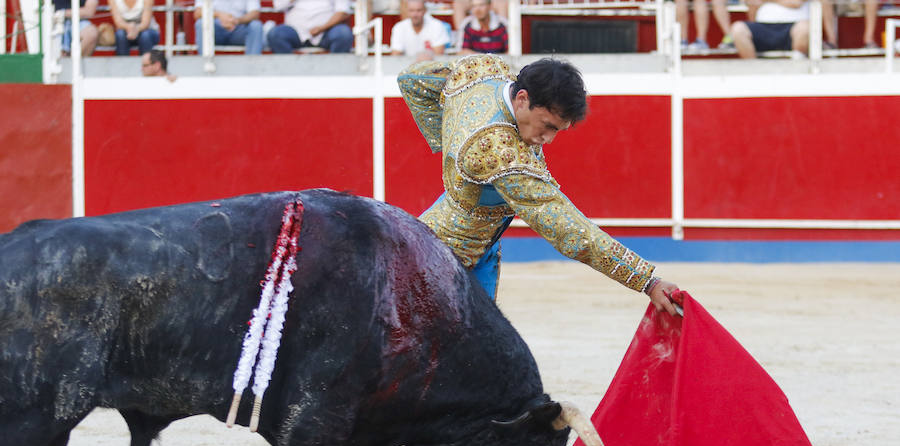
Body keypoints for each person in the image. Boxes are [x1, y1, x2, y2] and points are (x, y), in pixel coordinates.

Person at [398, 54, 680, 311]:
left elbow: (412, 79)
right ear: (522, 99)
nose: (549, 139)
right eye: (547, 126)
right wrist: (647, 281)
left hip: (460, 231)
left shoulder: (482, 70)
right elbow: (567, 228)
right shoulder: (499, 152)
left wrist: (449, 145)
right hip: (450, 263)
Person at [267, 0, 354, 54]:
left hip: (326, 32)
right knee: (275, 34)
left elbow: (343, 12)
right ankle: (290, 72)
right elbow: (278, 6)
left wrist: (322, 28)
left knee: (344, 33)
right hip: (296, 32)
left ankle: (335, 72)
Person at [730, 0, 809, 59]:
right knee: (738, 29)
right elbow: (752, 3)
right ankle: (754, 70)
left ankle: (796, 67)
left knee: (804, 28)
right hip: (763, 25)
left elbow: (795, 3)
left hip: (795, 25)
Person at [193, 0, 264, 55]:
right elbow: (198, 13)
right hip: (215, 30)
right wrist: (219, 15)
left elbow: (255, 13)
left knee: (256, 25)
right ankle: (205, 63)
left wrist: (237, 20)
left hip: (239, 29)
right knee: (201, 23)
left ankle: (252, 66)